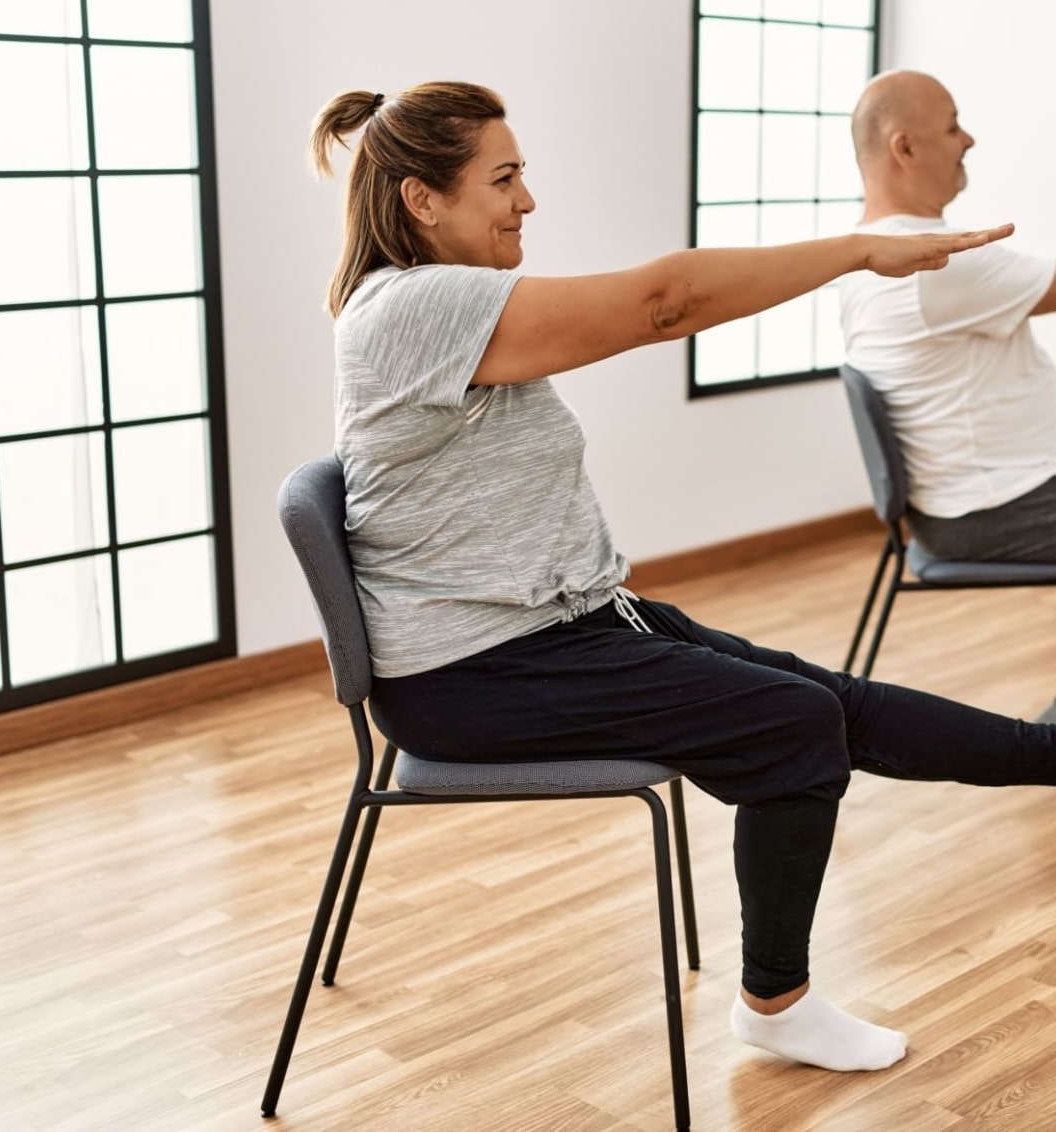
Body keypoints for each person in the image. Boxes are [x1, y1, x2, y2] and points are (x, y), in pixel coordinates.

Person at [311, 79, 1052, 1074]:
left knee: (826, 699)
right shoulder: (413, 308)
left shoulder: (451, 303)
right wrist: (858, 248)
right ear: (421, 201)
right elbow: (666, 302)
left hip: (561, 628)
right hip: (472, 674)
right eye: (504, 177)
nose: (527, 200)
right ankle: (775, 1002)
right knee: (794, 727)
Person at [842, 69, 1056, 562]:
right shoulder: (933, 261)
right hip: (996, 507)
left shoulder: (869, 253)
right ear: (906, 148)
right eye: (953, 126)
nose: (969, 139)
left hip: (974, 499)